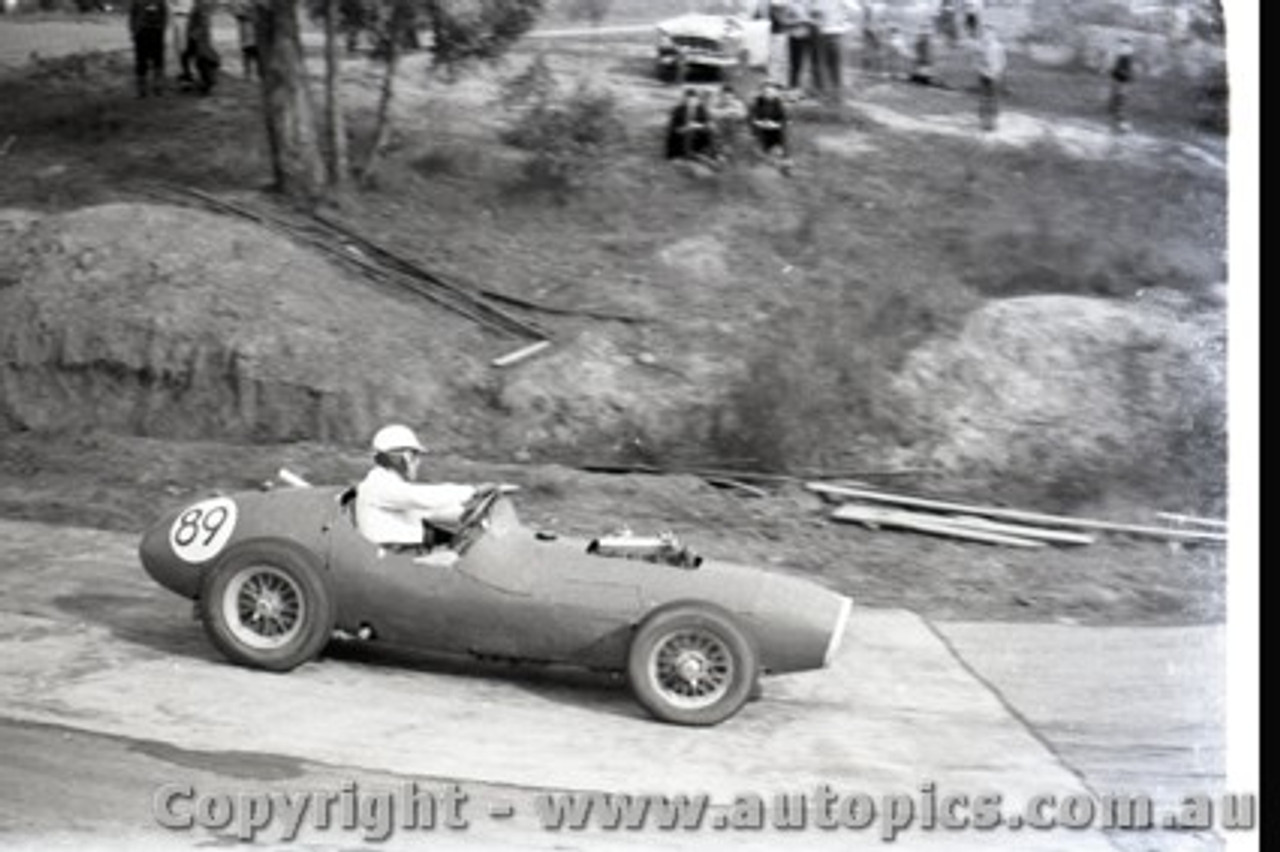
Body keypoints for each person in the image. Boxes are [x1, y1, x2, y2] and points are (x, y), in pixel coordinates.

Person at [354, 424, 479, 549]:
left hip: (404, 548)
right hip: (397, 555)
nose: (418, 462)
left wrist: (465, 513)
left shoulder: (386, 483)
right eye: (415, 456)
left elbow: (426, 513)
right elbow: (422, 498)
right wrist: (473, 491)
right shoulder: (380, 485)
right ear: (405, 457)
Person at [808, 0, 854, 99]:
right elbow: (812, 13)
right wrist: (818, 24)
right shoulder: (818, 2)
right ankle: (824, 91)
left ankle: (837, 91)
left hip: (836, 34)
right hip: (823, 34)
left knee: (836, 64)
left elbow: (853, 13)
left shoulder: (843, 3)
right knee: (823, 63)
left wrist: (844, 26)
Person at [128, 0, 167, 98]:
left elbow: (164, 15)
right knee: (141, 61)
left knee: (158, 60)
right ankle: (141, 90)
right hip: (141, 32)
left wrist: (161, 29)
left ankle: (158, 87)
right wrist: (134, 31)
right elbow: (132, 15)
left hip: (156, 32)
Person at [665, 87, 714, 162]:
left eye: (694, 101)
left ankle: (703, 152)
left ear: (697, 100)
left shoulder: (701, 109)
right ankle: (683, 155)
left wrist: (699, 126)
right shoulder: (678, 110)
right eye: (689, 101)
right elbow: (673, 130)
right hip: (681, 139)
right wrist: (686, 127)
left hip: (697, 139)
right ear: (685, 100)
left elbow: (709, 124)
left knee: (709, 131)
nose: (691, 103)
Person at [182, 0, 220, 95]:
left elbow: (203, 24)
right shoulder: (199, 7)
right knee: (187, 58)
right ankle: (194, 80)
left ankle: (206, 83)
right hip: (198, 40)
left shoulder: (200, 8)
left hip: (199, 41)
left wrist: (194, 35)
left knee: (200, 60)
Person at [750, 80, 790, 164]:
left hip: (774, 128)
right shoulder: (758, 102)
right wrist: (760, 123)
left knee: (780, 133)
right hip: (761, 128)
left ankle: (784, 157)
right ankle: (768, 152)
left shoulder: (778, 103)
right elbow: (752, 117)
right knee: (762, 137)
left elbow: (784, 119)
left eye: (770, 92)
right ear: (762, 92)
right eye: (765, 92)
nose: (768, 94)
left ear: (774, 93)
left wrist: (775, 124)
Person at [975, 25, 1006, 131]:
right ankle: (983, 121)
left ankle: (993, 121)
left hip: (995, 76)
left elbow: (1002, 62)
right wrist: (983, 71)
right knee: (984, 99)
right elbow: (977, 62)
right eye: (984, 34)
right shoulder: (981, 47)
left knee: (994, 99)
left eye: (989, 34)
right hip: (984, 76)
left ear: (994, 35)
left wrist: (996, 72)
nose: (986, 36)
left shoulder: (998, 47)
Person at [779, 0, 814, 94]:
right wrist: (800, 21)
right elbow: (784, 21)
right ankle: (793, 87)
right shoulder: (790, 4)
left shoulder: (809, 3)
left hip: (809, 36)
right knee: (795, 64)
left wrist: (811, 21)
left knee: (810, 63)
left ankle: (808, 88)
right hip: (795, 36)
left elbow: (815, 18)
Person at [711, 83, 749, 162]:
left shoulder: (738, 103)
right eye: (725, 97)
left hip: (736, 127)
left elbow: (744, 114)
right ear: (722, 96)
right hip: (721, 127)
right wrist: (725, 112)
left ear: (733, 96)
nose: (727, 99)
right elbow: (712, 113)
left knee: (732, 122)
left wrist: (733, 112)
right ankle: (721, 152)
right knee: (717, 127)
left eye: (729, 97)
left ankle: (728, 151)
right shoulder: (718, 103)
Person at [1108, 36, 1136, 133]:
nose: (1120, 47)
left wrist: (1117, 74)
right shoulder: (1121, 56)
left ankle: (1124, 126)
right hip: (1118, 81)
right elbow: (1117, 70)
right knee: (1116, 103)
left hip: (1122, 82)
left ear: (1126, 46)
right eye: (1120, 45)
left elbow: (1126, 72)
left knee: (1120, 103)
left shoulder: (1126, 56)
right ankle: (1118, 125)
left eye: (1122, 45)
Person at [232, 0, 259, 80]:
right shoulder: (243, 18)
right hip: (248, 43)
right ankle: (248, 75)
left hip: (252, 42)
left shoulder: (248, 17)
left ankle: (250, 75)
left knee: (252, 59)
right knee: (249, 59)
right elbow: (237, 13)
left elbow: (237, 13)